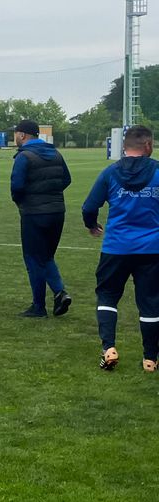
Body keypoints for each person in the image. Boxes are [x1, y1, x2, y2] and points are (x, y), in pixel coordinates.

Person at [81, 125, 159, 371]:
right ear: (148, 145)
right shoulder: (158, 171)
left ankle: (109, 348)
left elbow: (89, 207)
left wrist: (91, 225)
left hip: (116, 247)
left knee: (107, 295)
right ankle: (150, 359)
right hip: (151, 248)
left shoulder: (110, 172)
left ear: (124, 147)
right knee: (150, 302)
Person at [11, 118, 73, 318]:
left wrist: (24, 201)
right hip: (57, 211)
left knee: (33, 259)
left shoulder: (24, 157)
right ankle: (60, 293)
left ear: (22, 135)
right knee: (46, 257)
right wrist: (50, 193)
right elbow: (67, 179)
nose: (15, 137)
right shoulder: (55, 153)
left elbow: (17, 187)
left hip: (34, 213)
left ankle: (39, 306)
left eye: (16, 133)